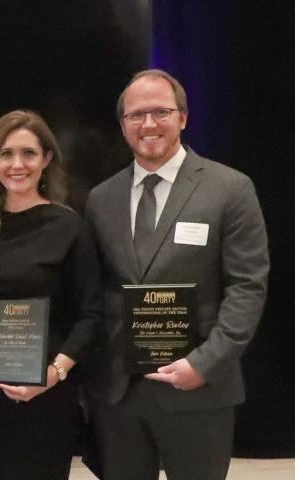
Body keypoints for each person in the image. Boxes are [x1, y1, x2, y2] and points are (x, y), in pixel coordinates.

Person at [85, 69, 269, 479]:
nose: (148, 124)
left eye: (161, 112)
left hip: (199, 386)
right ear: (123, 125)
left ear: (183, 118)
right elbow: (94, 292)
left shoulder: (230, 189)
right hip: (120, 392)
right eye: (136, 115)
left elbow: (247, 288)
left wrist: (205, 364)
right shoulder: (101, 198)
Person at [0, 110, 101, 479]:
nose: (17, 164)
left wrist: (54, 374)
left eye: (28, 153)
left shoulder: (70, 227)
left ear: (47, 159)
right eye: (6, 154)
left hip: (49, 395)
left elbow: (90, 314)